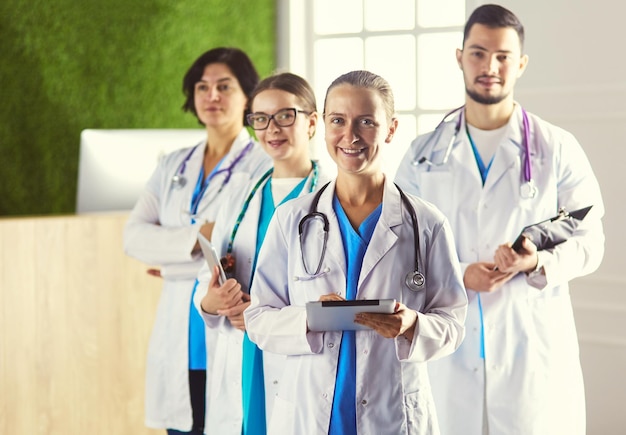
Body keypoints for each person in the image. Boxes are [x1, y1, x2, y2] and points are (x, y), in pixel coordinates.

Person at [394, 5, 605, 435]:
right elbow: (396, 249)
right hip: (447, 352)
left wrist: (535, 263)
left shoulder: (557, 148)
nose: (490, 66)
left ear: (521, 63)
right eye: (478, 53)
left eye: (503, 56)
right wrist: (456, 274)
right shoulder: (421, 154)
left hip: (532, 351)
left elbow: (591, 242)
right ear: (459, 57)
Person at [244, 70, 468, 434]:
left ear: (391, 129)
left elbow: (453, 324)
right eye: (338, 121)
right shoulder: (292, 219)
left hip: (391, 415)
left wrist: (412, 325)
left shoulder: (427, 223)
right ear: (324, 125)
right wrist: (309, 318)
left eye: (366, 122)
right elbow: (258, 318)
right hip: (310, 414)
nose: (350, 136)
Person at [123, 47, 271, 434]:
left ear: (248, 96)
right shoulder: (172, 164)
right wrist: (196, 242)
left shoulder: (263, 164)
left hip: (229, 330)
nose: (212, 96)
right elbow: (133, 236)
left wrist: (171, 261)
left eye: (224, 86)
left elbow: (241, 252)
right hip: (178, 336)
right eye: (202, 87)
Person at [193, 72, 332, 435]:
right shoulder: (238, 196)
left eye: (286, 115)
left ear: (312, 122)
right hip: (241, 352)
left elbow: (336, 292)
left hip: (295, 352)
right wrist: (213, 301)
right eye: (260, 118)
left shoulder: (335, 199)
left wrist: (260, 316)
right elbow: (206, 283)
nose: (272, 128)